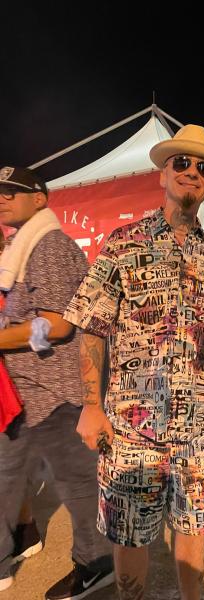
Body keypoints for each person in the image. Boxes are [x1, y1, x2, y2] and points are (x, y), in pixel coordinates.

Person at [63, 124, 204, 600]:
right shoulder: (124, 243)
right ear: (162, 173)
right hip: (132, 431)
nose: (192, 172)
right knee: (129, 535)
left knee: (194, 534)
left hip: (199, 432)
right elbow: (91, 326)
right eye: (182, 162)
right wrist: (90, 406)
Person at [0, 166, 113, 599]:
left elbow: (57, 325)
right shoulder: (21, 247)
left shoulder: (47, 246)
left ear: (39, 199)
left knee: (79, 484)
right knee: (10, 476)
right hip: (27, 391)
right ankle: (19, 541)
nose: (3, 198)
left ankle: (96, 565)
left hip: (57, 392)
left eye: (13, 191)